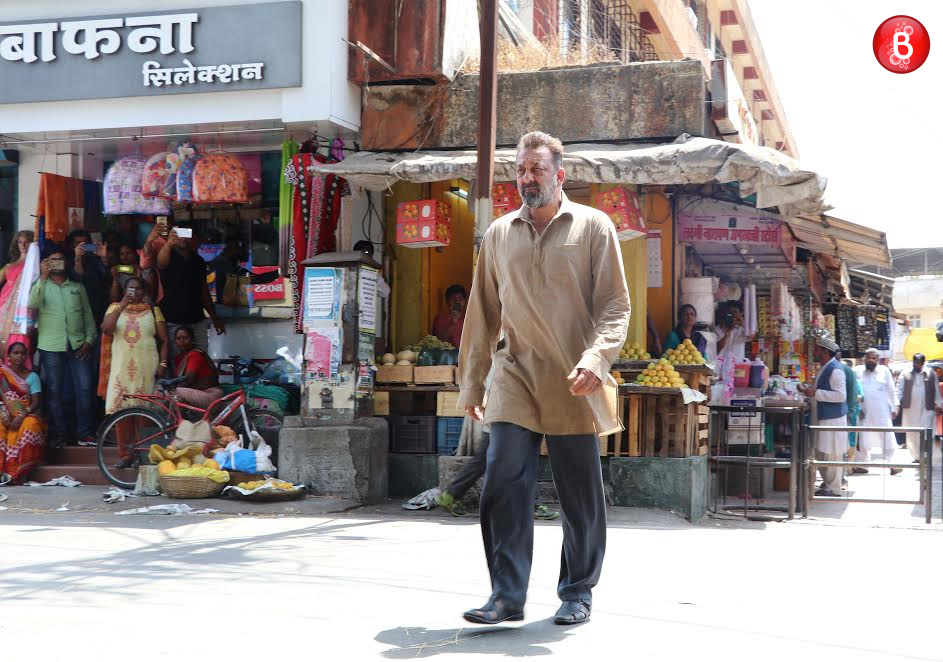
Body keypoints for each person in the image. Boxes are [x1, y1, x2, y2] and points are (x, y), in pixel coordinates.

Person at [457, 131, 630, 626]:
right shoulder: (498, 234)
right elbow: (482, 313)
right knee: (503, 477)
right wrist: (473, 383)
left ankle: (577, 591)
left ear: (560, 174)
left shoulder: (593, 226)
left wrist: (596, 360)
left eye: (536, 168)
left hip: (575, 375)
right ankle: (506, 594)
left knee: (580, 493)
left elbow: (615, 305)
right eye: (520, 169)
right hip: (515, 374)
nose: (527, 178)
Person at [28, 250, 97, 447]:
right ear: (46, 263)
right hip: (50, 345)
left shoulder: (77, 287)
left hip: (78, 344)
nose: (56, 263)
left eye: (59, 259)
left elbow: (88, 315)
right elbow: (32, 304)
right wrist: (42, 276)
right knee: (54, 391)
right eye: (52, 260)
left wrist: (89, 340)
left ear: (66, 262)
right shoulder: (41, 285)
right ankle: (60, 434)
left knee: (85, 387)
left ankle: (84, 433)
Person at [101, 277, 169, 415]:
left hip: (146, 367)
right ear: (125, 290)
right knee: (119, 411)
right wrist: (122, 305)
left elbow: (164, 340)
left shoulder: (153, 310)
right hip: (120, 366)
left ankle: (144, 430)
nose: (135, 291)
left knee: (144, 409)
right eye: (131, 288)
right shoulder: (115, 307)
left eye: (138, 288)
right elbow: (106, 329)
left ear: (144, 291)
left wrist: (163, 364)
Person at [157, 226, 225, 361]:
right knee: (176, 362)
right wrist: (169, 243)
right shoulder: (168, 255)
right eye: (180, 234)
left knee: (200, 359)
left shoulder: (198, 261)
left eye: (187, 234)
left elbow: (204, 291)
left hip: (196, 319)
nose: (183, 238)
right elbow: (161, 263)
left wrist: (214, 318)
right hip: (172, 320)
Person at [798, 336, 848, 497]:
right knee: (822, 452)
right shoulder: (825, 368)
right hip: (822, 417)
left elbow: (840, 396)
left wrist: (815, 393)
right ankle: (828, 485)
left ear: (825, 352)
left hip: (832, 419)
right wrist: (808, 391)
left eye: (817, 349)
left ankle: (834, 488)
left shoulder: (835, 370)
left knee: (831, 453)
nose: (814, 352)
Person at [0, 342, 45, 484]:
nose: (19, 356)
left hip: (26, 412)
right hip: (4, 412)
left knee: (30, 424)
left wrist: (21, 415)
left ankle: (18, 471)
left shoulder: (32, 376)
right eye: (16, 353)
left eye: (23, 353)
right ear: (8, 356)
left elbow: (36, 401)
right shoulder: (2, 375)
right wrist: (4, 414)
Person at [854, 348, 901, 475]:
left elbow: (891, 389)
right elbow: (853, 390)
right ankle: (863, 465)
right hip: (864, 412)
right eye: (868, 357)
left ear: (878, 360)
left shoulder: (884, 371)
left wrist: (895, 407)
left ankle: (893, 465)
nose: (871, 360)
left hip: (882, 411)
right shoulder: (857, 371)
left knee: (887, 437)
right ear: (864, 359)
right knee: (863, 438)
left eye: (874, 358)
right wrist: (857, 408)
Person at [896, 353, 942, 462]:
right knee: (912, 434)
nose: (916, 364)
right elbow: (899, 390)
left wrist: (939, 404)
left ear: (923, 363)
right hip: (910, 410)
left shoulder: (931, 373)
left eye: (919, 362)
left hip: (927, 409)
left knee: (927, 432)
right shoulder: (905, 373)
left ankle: (926, 455)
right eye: (915, 362)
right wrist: (896, 404)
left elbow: (936, 390)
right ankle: (917, 457)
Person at [0, 230, 36, 358]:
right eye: (20, 242)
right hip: (4, 308)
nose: (23, 245)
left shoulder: (36, 266)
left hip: (24, 310)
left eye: (27, 242)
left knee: (20, 345)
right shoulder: (9, 266)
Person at [171, 325, 222, 409]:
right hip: (198, 393)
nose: (182, 341)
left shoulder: (195, 355)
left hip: (210, 394)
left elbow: (188, 380)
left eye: (185, 338)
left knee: (173, 392)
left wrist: (171, 388)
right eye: (178, 338)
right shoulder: (179, 358)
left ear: (192, 340)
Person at [66, 229, 111, 325]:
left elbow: (106, 276)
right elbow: (78, 277)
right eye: (78, 243)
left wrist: (103, 257)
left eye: (85, 243)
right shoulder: (68, 259)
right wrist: (78, 259)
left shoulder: (94, 257)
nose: (82, 246)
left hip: (96, 303)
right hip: (77, 304)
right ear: (71, 245)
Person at [432, 284, 467, 348]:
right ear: (447, 301)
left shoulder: (469, 319)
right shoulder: (440, 319)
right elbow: (439, 342)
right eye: (453, 299)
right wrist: (453, 323)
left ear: (464, 301)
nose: (457, 302)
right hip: (446, 353)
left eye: (460, 299)